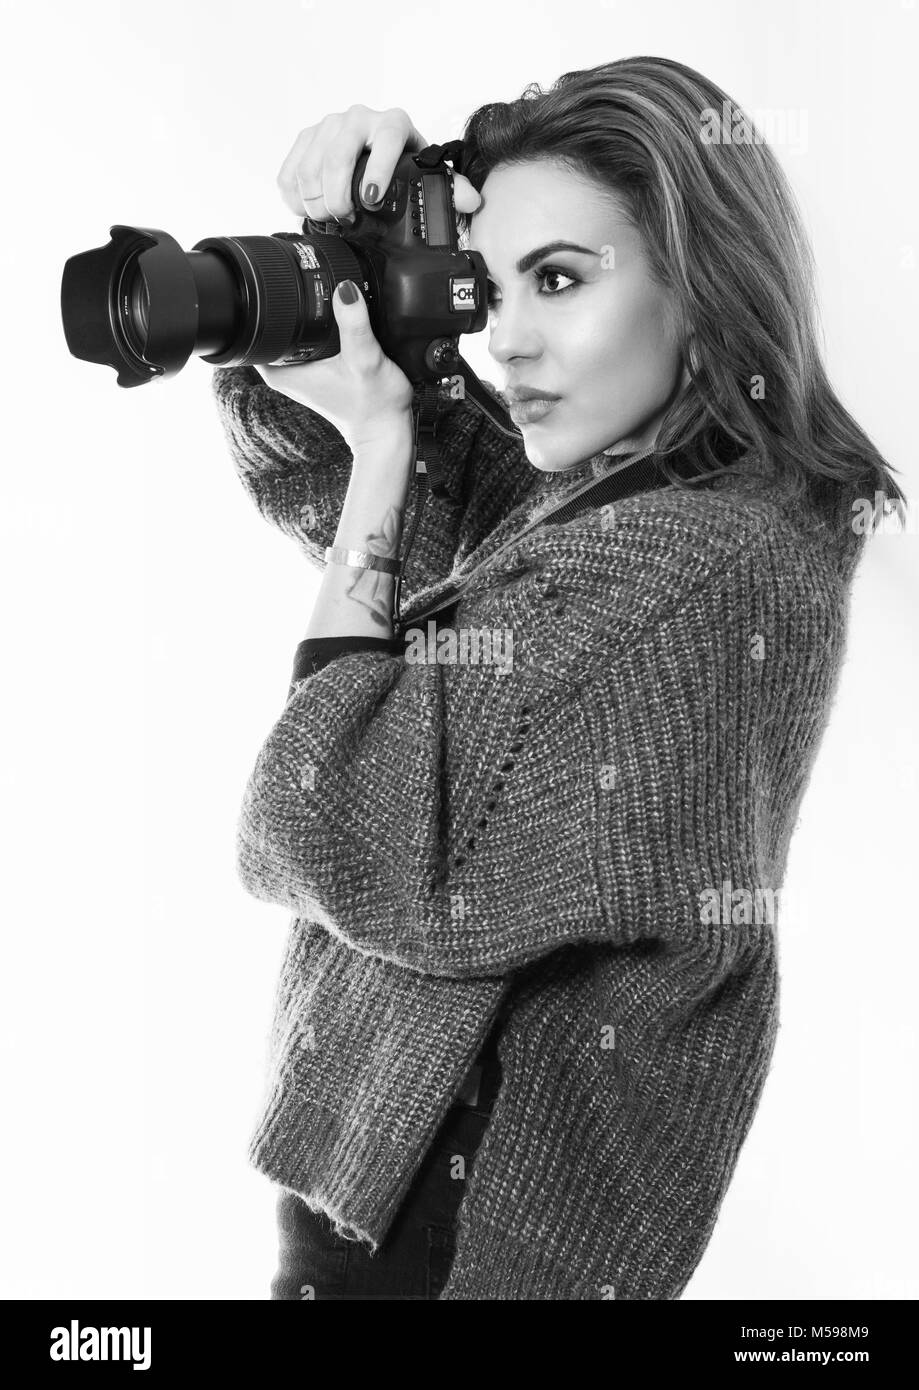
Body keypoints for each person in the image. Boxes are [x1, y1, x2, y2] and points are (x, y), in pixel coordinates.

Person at [212, 58, 905, 1300]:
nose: (505, 338)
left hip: (460, 1251)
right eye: (491, 282)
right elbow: (347, 496)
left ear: (701, 291)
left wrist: (383, 447)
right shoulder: (623, 492)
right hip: (395, 1204)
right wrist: (343, 272)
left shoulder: (701, 560)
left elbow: (343, 825)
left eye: (561, 280)